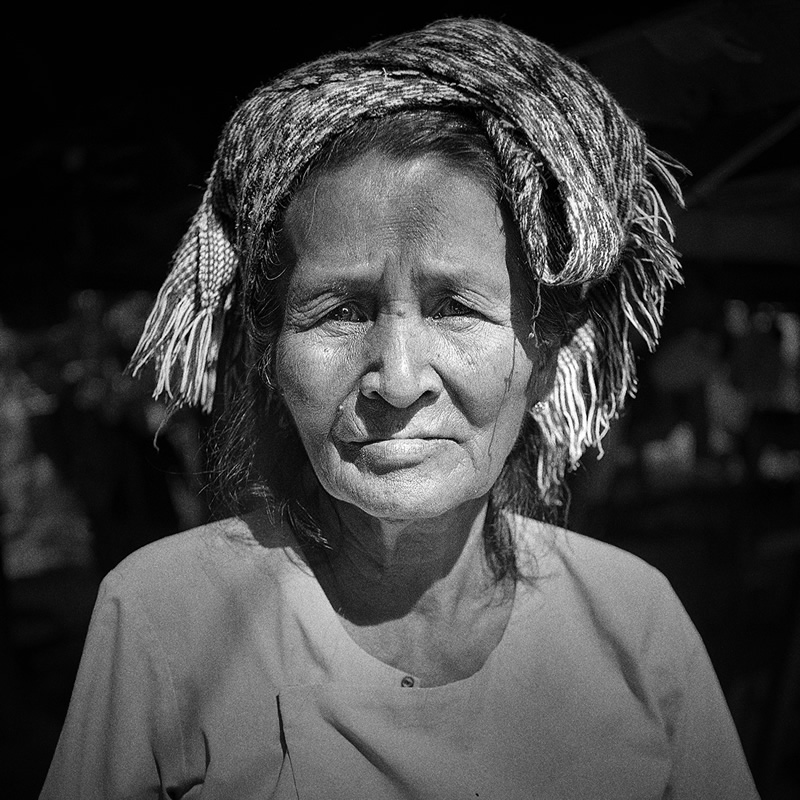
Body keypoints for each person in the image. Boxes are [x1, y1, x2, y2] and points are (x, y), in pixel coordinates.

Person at [40, 17, 761, 799]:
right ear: (270, 355)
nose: (399, 376)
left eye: (455, 306)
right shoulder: (162, 616)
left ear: (547, 359)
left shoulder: (636, 624)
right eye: (340, 311)